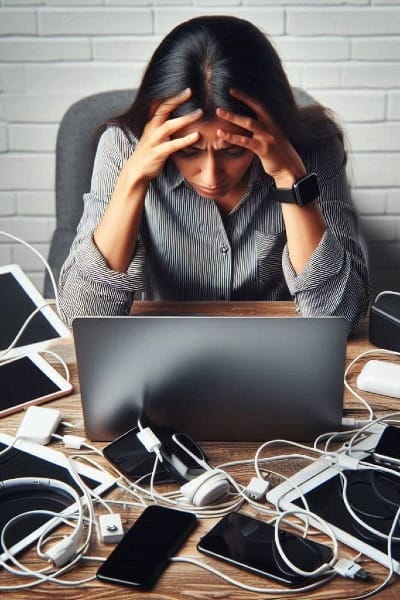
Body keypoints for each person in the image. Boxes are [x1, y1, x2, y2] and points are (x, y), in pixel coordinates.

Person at [58, 15, 370, 332]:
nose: (210, 177)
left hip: (273, 354)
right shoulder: (124, 147)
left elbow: (338, 317)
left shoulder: (313, 148)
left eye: (234, 151)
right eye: (189, 152)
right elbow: (82, 316)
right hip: (160, 354)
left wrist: (291, 180)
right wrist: (133, 178)